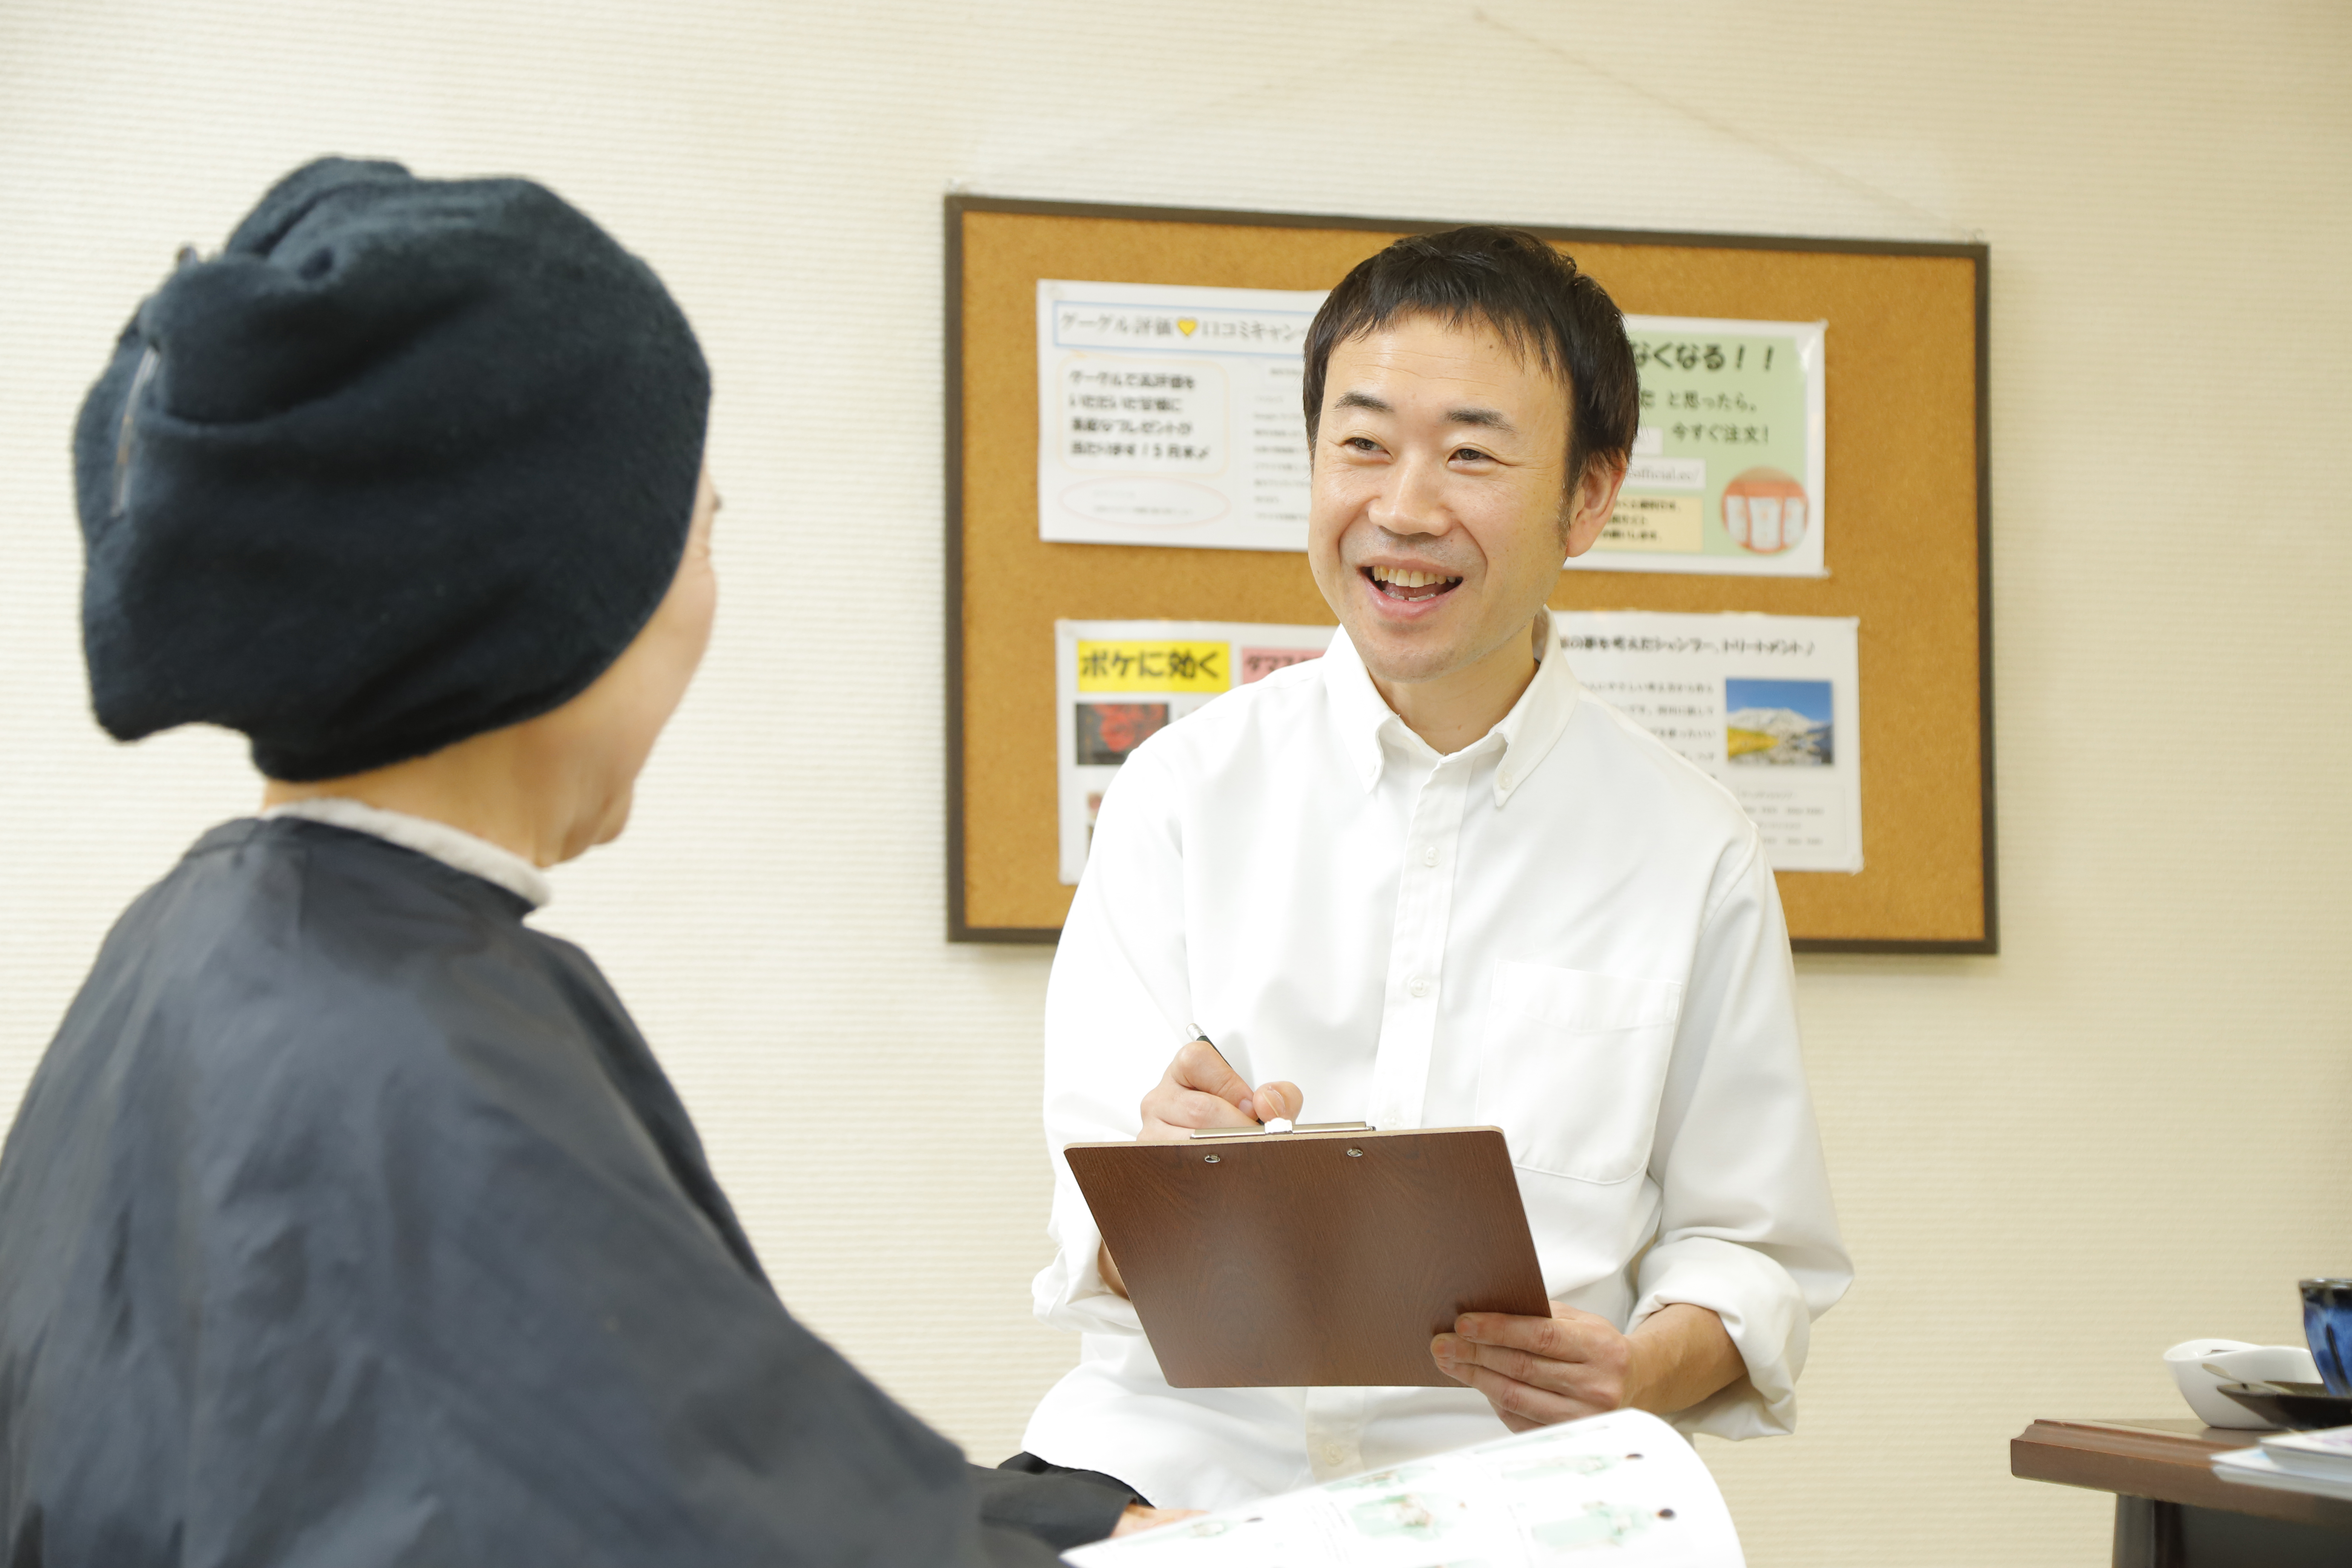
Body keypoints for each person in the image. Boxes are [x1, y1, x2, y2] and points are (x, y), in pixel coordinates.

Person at [0, 158, 1178, 1565]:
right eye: (697, 536)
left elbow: (696, 1449)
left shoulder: (194, 945)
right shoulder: (420, 1062)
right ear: (559, 589)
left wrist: (1081, 1516)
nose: (706, 601)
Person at [1015, 227, 1854, 1511]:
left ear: (1588, 496)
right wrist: (1165, 1197)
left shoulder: (1695, 848)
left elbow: (1750, 1250)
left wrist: (1629, 1372)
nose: (1403, 509)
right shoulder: (1180, 795)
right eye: (1362, 444)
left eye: (1471, 453)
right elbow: (1092, 1232)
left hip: (1524, 1495)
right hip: (1178, 1481)